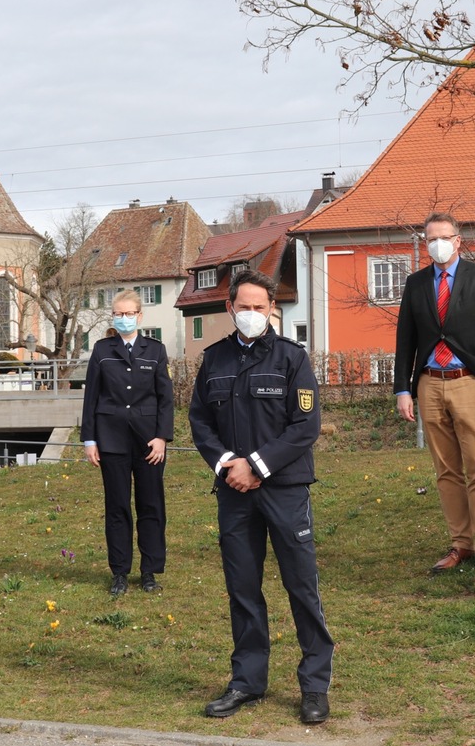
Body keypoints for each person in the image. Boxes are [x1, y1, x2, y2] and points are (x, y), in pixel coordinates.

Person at [189, 269, 333, 725]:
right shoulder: (213, 360)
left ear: (272, 308)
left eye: (260, 306)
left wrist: (258, 465)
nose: (251, 313)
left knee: (301, 588)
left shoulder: (292, 359)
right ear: (229, 308)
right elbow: (199, 422)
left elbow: (304, 426)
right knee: (243, 589)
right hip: (234, 492)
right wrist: (229, 463)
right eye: (243, 306)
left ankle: (314, 685)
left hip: (285, 489)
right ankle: (247, 682)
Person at [393, 212, 475, 577]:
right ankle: (460, 543)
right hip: (429, 383)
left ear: (458, 240)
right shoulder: (415, 284)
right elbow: (405, 341)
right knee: (446, 471)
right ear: (425, 243)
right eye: (431, 238)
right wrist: (402, 389)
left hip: (469, 382)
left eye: (444, 237)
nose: (438, 243)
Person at [81, 289, 174, 596]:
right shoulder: (101, 350)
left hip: (149, 442)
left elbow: (165, 399)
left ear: (140, 316)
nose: (123, 319)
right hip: (111, 439)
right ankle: (119, 571)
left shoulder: (155, 350)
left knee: (150, 505)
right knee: (117, 507)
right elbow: (91, 397)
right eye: (118, 314)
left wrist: (162, 437)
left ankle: (149, 571)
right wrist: (90, 440)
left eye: (128, 313)